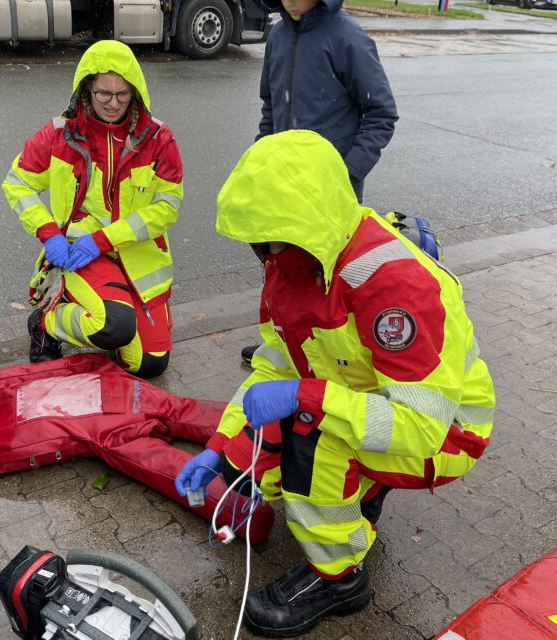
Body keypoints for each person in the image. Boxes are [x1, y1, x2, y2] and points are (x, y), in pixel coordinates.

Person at [175, 130, 496, 638]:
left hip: (447, 431)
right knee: (260, 457)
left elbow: (420, 429)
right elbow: (274, 368)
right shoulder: (295, 261)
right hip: (377, 401)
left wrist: (306, 398)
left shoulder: (393, 284)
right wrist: (218, 446)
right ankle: (362, 492)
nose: (263, 252)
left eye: (270, 237)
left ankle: (339, 578)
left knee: (308, 446)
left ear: (304, 220)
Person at [2, 40, 183, 378]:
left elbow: (166, 208)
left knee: (150, 363)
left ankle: (110, 314)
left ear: (135, 91)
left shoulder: (159, 138)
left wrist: (103, 240)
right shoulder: (59, 134)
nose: (113, 103)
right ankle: (46, 324)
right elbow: (17, 183)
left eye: (122, 94)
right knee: (113, 326)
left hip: (132, 257)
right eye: (103, 93)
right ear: (86, 88)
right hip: (80, 256)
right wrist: (49, 233)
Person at [240, 0, 398, 364]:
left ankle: (330, 358)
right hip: (284, 183)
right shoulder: (278, 36)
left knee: (327, 276)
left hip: (331, 189)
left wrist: (346, 174)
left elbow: (381, 114)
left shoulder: (348, 38)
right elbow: (271, 106)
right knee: (281, 269)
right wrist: (264, 156)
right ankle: (283, 345)